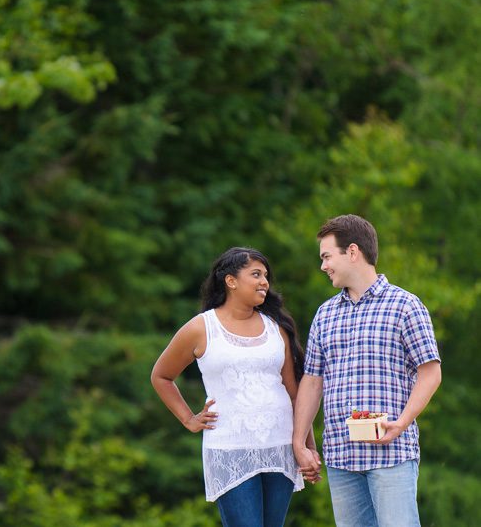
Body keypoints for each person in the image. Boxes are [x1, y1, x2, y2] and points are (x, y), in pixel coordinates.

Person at [151, 247, 318, 527]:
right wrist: (188, 419)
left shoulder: (277, 328)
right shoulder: (201, 328)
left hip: (280, 447)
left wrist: (307, 447)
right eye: (256, 274)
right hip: (230, 449)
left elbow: (294, 394)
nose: (265, 281)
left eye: (266, 276)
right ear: (231, 280)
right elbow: (161, 376)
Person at [292, 214, 442, 527]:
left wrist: (401, 424)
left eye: (327, 256)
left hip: (392, 455)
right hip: (341, 457)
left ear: (353, 252)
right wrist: (299, 441)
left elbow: (431, 373)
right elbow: (312, 381)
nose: (323, 266)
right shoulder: (325, 315)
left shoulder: (406, 306)